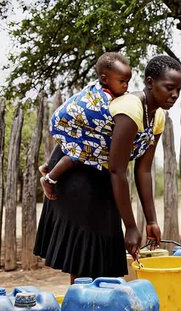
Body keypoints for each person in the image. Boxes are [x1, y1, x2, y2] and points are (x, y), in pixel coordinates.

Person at [34, 55, 181, 283]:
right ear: (150, 83)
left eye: (178, 89)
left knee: (103, 262)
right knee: (86, 260)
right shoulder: (130, 109)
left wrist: (151, 221)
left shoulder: (158, 116)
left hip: (102, 178)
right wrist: (131, 226)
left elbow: (143, 170)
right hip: (79, 175)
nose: (175, 95)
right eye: (169, 88)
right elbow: (117, 170)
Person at [39, 52, 132, 200]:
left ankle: (47, 165)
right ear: (104, 79)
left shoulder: (100, 86)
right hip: (72, 121)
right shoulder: (102, 98)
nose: (126, 85)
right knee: (78, 155)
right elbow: (105, 119)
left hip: (72, 124)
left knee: (69, 143)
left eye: (128, 81)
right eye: (122, 81)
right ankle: (50, 178)